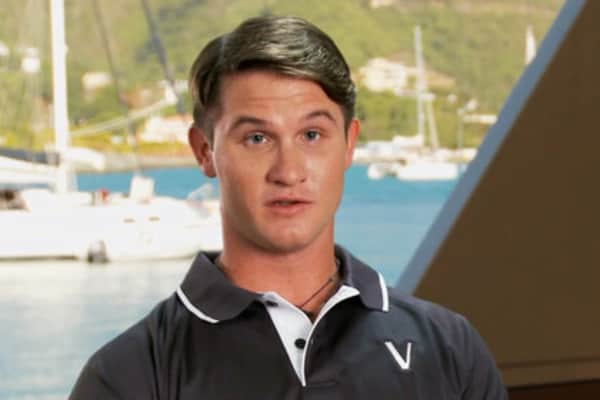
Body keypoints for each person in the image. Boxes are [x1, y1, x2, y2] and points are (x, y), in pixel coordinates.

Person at [70, 15, 507, 399]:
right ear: (204, 151)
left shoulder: (451, 349)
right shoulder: (129, 375)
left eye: (312, 135)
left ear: (349, 144)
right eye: (257, 138)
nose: (289, 171)